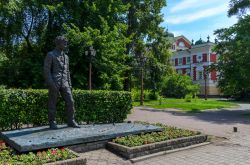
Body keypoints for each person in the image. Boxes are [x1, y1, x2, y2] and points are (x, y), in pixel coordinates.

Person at [44, 36, 80, 129]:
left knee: (70, 101)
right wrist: (51, 83)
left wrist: (70, 84)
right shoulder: (50, 54)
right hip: (54, 82)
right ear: (58, 43)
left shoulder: (66, 57)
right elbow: (46, 70)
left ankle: (71, 121)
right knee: (52, 103)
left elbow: (67, 71)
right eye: (64, 43)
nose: (66, 44)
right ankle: (52, 122)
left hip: (65, 83)